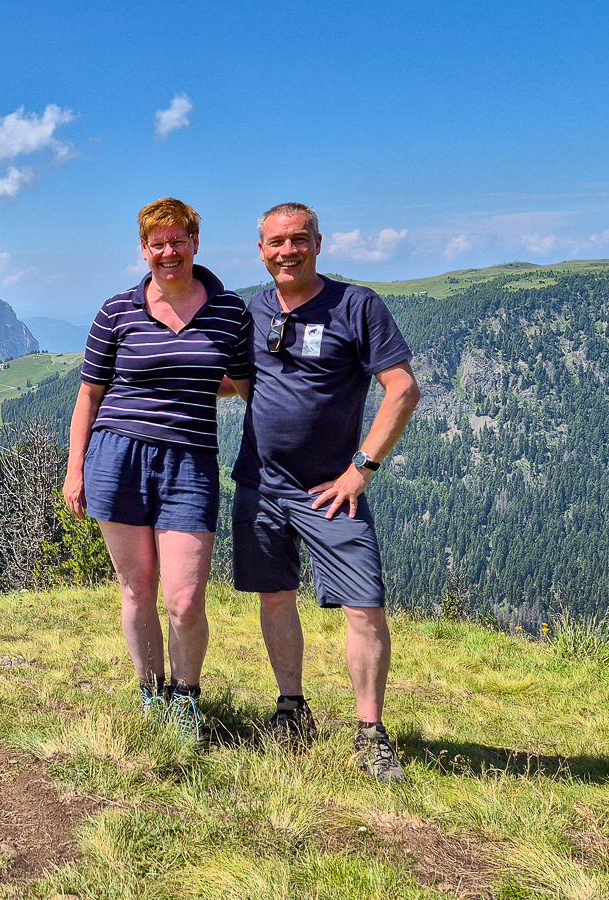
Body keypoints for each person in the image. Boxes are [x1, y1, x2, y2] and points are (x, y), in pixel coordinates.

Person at [230, 202, 420, 782]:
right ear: (260, 250)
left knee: (364, 606)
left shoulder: (356, 305)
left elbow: (403, 389)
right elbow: (238, 383)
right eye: (275, 242)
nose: (287, 251)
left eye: (298, 240)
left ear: (318, 242)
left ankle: (370, 733)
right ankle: (291, 709)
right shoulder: (251, 310)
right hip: (260, 483)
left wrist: (360, 468)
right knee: (275, 595)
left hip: (331, 490)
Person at [63, 198, 251, 740]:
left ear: (196, 243)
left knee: (187, 597)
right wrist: (75, 470)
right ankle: (151, 692)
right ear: (144, 249)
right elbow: (89, 395)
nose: (168, 252)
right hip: (116, 455)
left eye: (178, 241)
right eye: (157, 243)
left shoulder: (229, 312)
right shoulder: (116, 310)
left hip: (190, 461)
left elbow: (245, 385)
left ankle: (187, 699)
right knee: (136, 586)